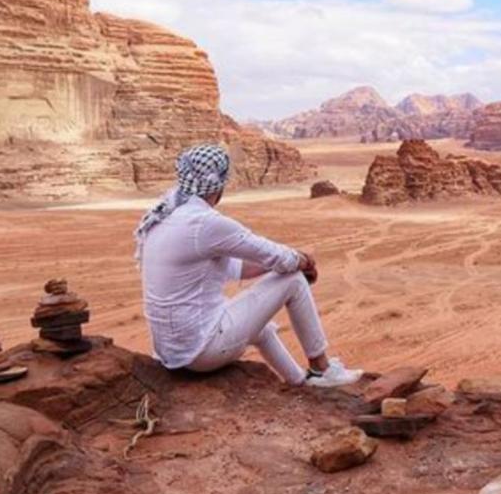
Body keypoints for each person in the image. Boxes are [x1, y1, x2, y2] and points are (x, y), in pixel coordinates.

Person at [135, 143, 362, 388]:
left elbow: (237, 268)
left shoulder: (166, 215)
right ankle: (322, 369)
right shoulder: (205, 223)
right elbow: (277, 256)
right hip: (199, 352)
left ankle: (300, 382)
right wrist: (302, 261)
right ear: (219, 184)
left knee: (258, 324)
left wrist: (278, 263)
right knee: (294, 280)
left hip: (172, 352)